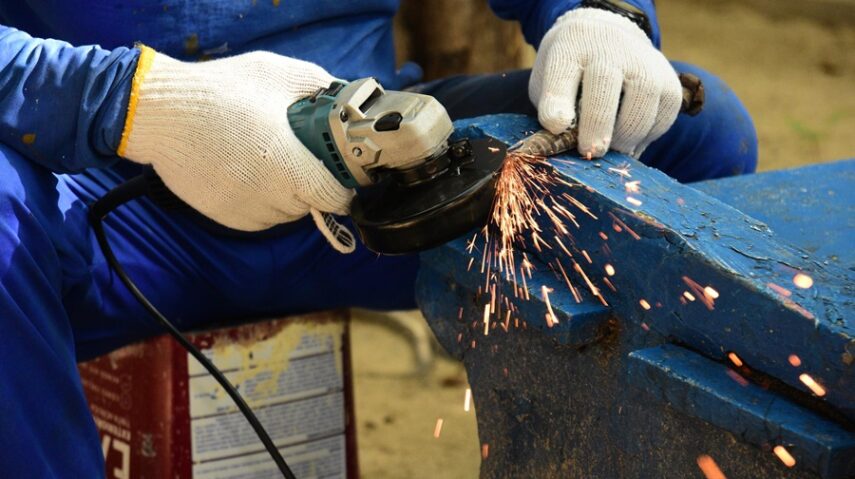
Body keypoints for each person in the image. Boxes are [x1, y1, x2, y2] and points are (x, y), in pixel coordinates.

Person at [0, 0, 757, 476]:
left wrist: (602, 13)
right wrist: (139, 104)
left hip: (375, 188)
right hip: (106, 210)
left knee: (691, 135)